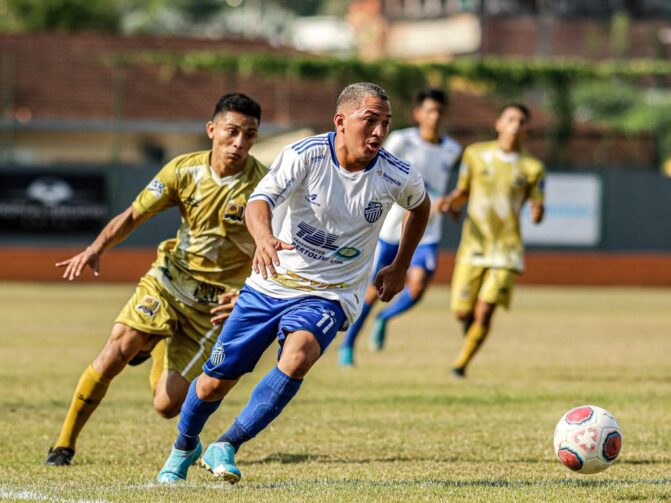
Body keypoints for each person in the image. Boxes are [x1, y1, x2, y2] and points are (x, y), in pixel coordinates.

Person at [156, 82, 430, 484]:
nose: (378, 132)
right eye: (369, 121)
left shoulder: (396, 173)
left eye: (385, 123)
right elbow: (258, 202)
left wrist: (400, 264)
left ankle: (227, 444)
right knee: (215, 382)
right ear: (340, 121)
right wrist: (264, 239)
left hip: (332, 293)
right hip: (271, 284)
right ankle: (185, 445)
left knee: (299, 356)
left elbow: (420, 207)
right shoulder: (305, 156)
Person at [44, 93, 268, 466]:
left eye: (249, 135)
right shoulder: (183, 170)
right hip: (168, 280)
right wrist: (96, 248)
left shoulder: (264, 185)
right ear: (212, 130)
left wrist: (246, 293)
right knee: (115, 351)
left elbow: (277, 248)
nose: (239, 143)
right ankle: (63, 446)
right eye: (232, 132)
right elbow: (133, 215)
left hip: (212, 306)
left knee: (166, 405)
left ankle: (158, 344)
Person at [338, 88, 461, 367]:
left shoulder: (452, 149)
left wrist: (448, 205)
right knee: (373, 291)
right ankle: (348, 345)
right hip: (392, 229)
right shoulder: (401, 140)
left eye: (440, 111)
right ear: (418, 113)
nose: (435, 116)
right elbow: (381, 174)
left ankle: (384, 318)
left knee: (417, 288)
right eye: (430, 110)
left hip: (427, 231)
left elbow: (440, 188)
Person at [440, 103, 545, 378]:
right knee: (462, 314)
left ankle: (459, 365)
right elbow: (462, 191)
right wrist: (451, 202)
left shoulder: (532, 167)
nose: (515, 124)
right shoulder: (475, 154)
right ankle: (469, 327)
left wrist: (538, 211)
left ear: (526, 129)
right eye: (510, 118)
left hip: (507, 251)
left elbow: (537, 209)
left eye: (521, 121)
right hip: (473, 246)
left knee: (485, 312)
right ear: (498, 123)